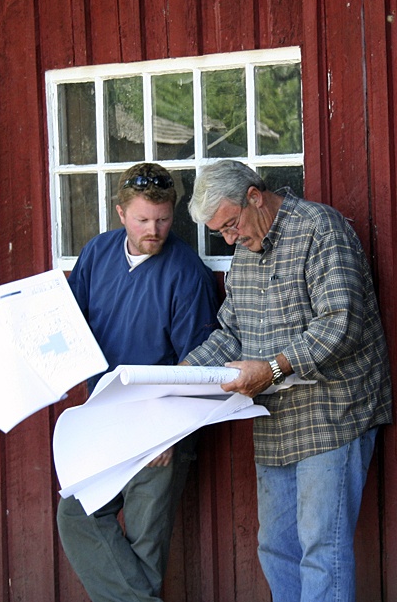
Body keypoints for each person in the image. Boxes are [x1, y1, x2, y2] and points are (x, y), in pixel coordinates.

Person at [181, 159, 392, 602]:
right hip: (276, 419)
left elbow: (341, 323)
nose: (230, 238)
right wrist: (182, 376)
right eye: (221, 232)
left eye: (232, 224)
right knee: (274, 546)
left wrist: (273, 367)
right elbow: (233, 333)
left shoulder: (319, 228)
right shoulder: (245, 251)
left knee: (321, 549)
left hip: (333, 412)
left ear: (255, 197)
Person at [57, 162, 219, 602]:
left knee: (146, 545)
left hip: (159, 424)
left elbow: (197, 364)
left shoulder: (187, 273)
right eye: (144, 219)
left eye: (164, 219)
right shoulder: (96, 253)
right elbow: (71, 327)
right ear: (120, 213)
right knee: (76, 514)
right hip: (104, 416)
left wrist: (166, 433)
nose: (155, 229)